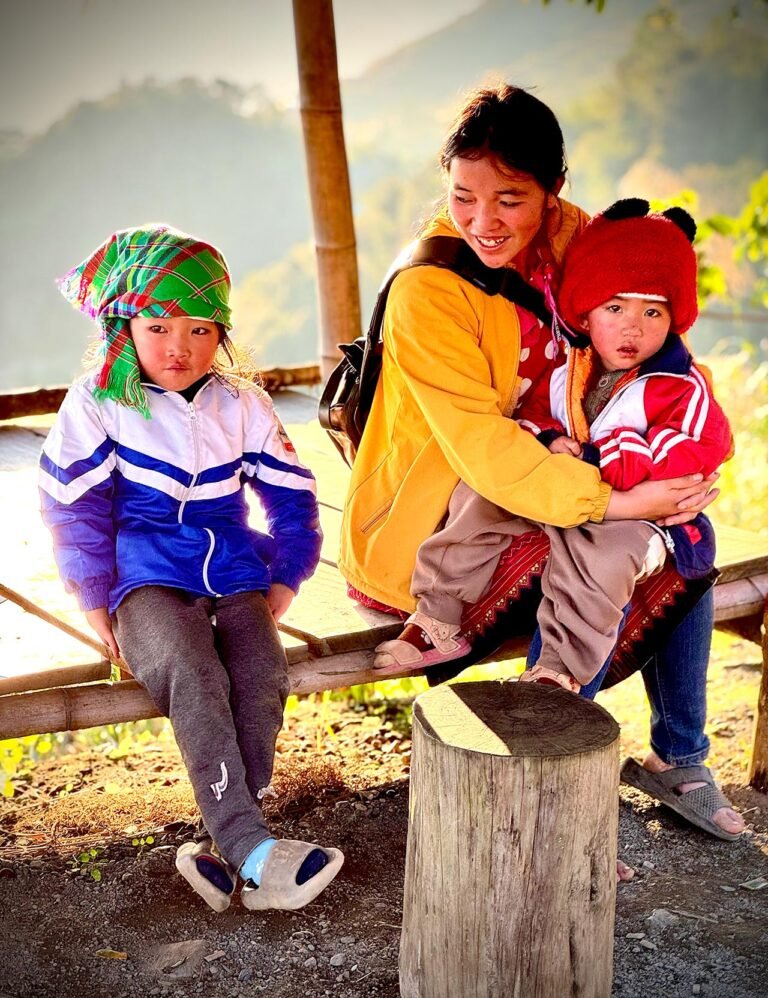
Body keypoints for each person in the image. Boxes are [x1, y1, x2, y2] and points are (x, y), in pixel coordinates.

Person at [339, 84, 744, 845]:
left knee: (688, 532)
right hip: (445, 516)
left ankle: (678, 757)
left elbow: (648, 341)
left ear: (553, 190)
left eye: (511, 200)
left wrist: (669, 461)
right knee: (604, 543)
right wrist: (621, 501)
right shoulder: (429, 288)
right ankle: (553, 802)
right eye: (463, 197)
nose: (484, 222)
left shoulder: (576, 235)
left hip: (554, 467)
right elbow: (485, 451)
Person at [39, 226, 344, 912]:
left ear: (223, 333)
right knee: (197, 673)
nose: (181, 346)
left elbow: (294, 499)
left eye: (202, 328)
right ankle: (257, 855)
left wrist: (286, 577)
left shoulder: (242, 404)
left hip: (233, 573)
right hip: (140, 583)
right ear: (124, 327)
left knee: (262, 673)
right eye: (158, 326)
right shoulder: (98, 403)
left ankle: (229, 852)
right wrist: (92, 598)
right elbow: (72, 508)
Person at [375, 199, 731, 709]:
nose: (632, 328)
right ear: (586, 312)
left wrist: (603, 458)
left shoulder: (679, 384)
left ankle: (558, 670)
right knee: (480, 492)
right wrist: (546, 440)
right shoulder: (571, 369)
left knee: (602, 558)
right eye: (615, 309)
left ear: (675, 318)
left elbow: (697, 446)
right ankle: (439, 615)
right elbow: (537, 412)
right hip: (566, 491)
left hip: (644, 514)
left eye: (652, 311)